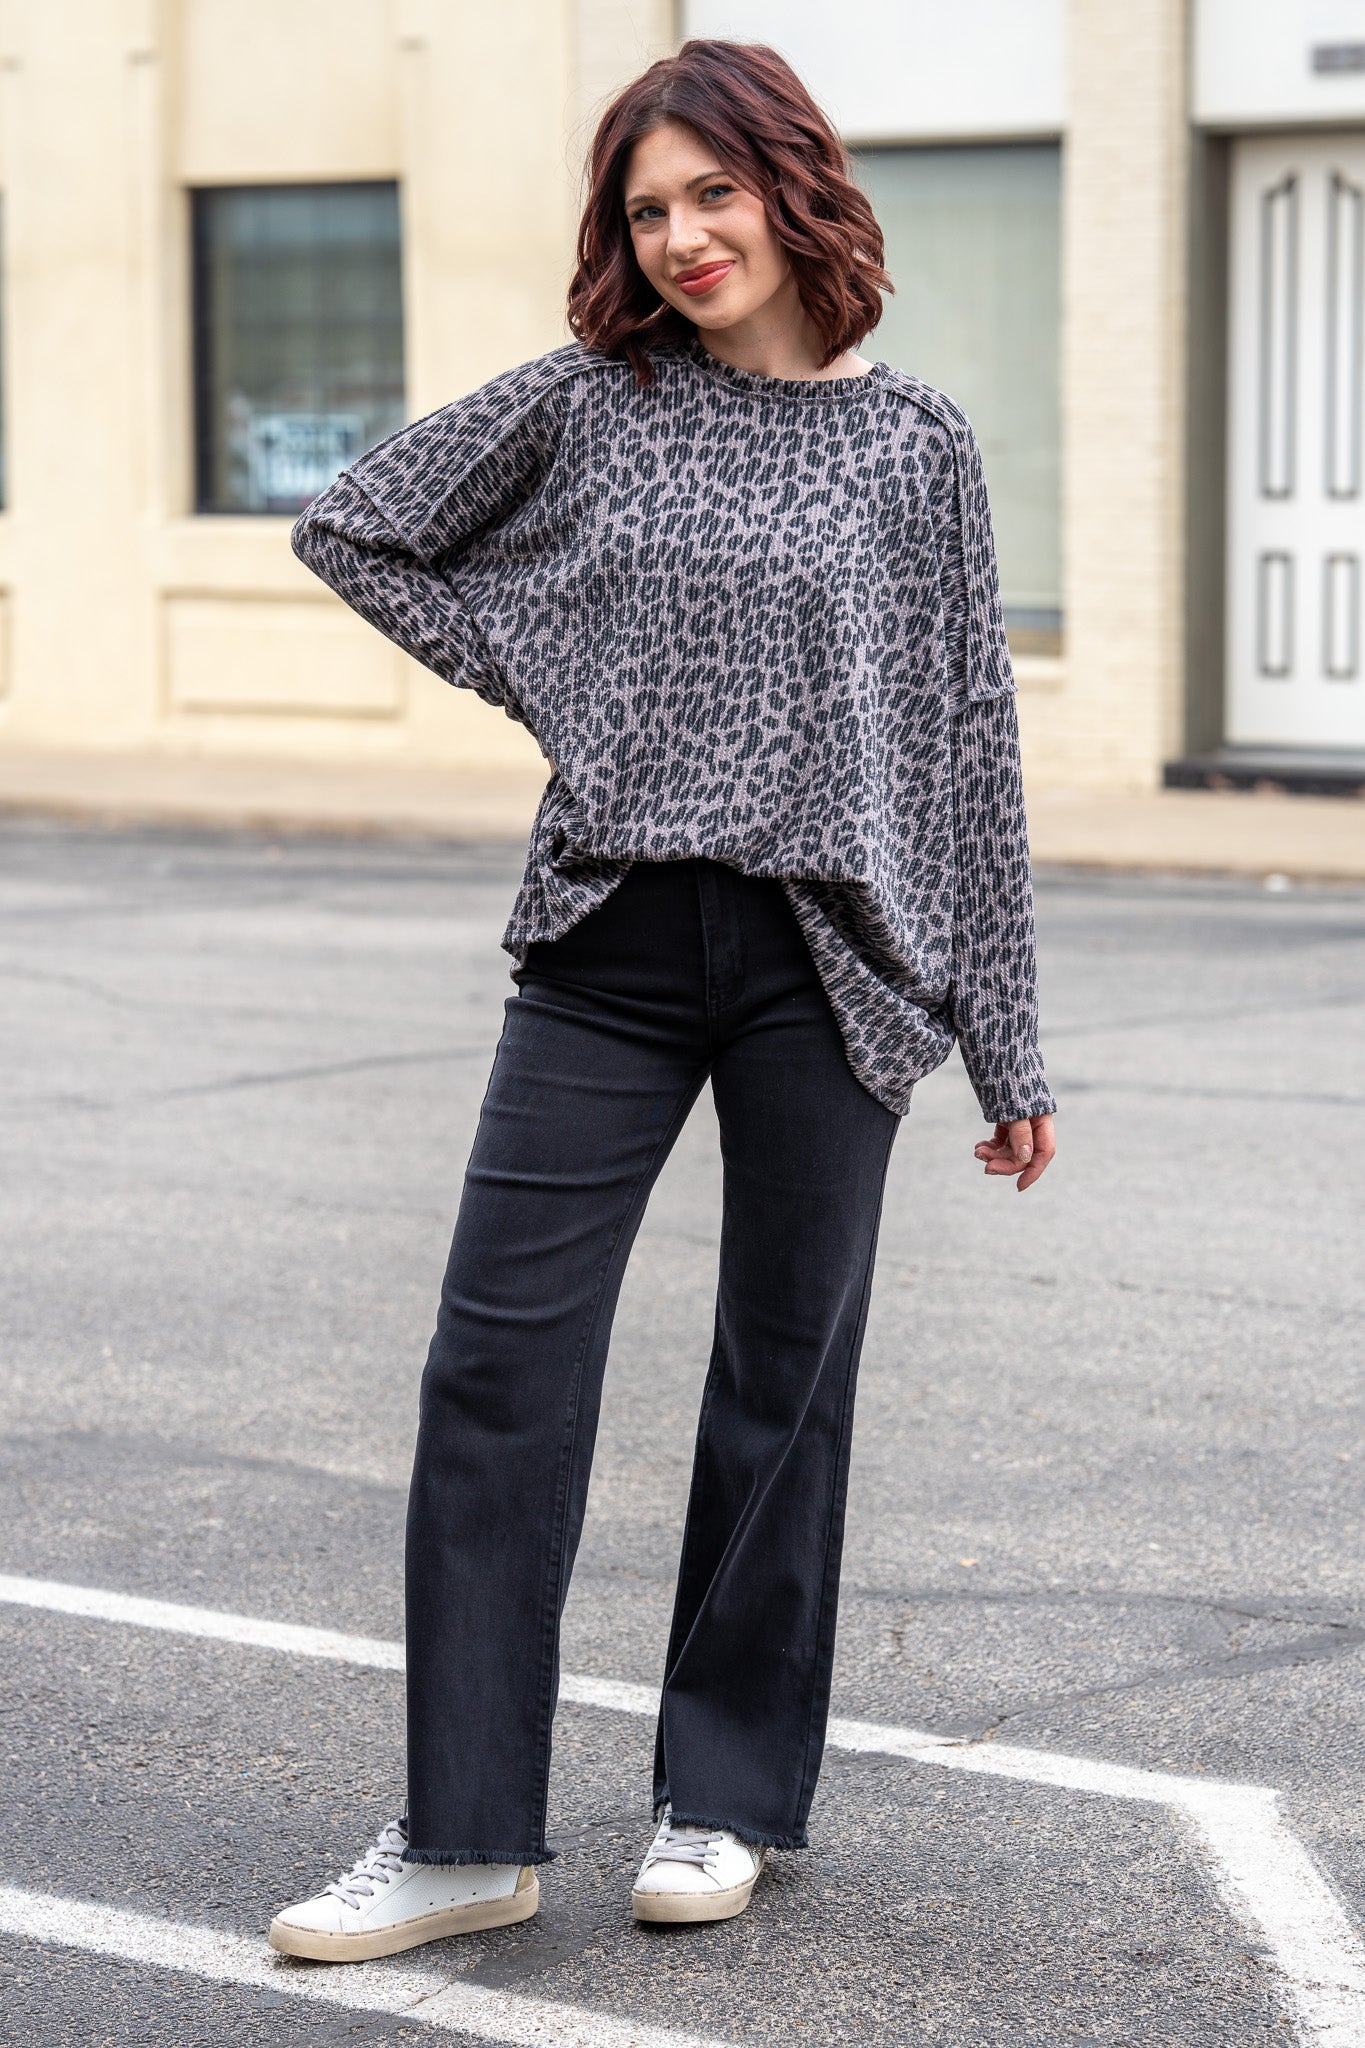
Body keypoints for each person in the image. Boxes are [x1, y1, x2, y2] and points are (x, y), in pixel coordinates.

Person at [267, 36, 1055, 1963]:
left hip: (829, 964)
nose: (683, 237)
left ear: (793, 189)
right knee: (494, 1373)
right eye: (646, 209)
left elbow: (966, 741)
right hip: (606, 946)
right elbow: (357, 522)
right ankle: (462, 1834)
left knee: (780, 1388)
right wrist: (558, 684)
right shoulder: (590, 403)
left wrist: (1006, 1040)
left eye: (713, 192)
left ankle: (724, 1799)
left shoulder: (913, 445)